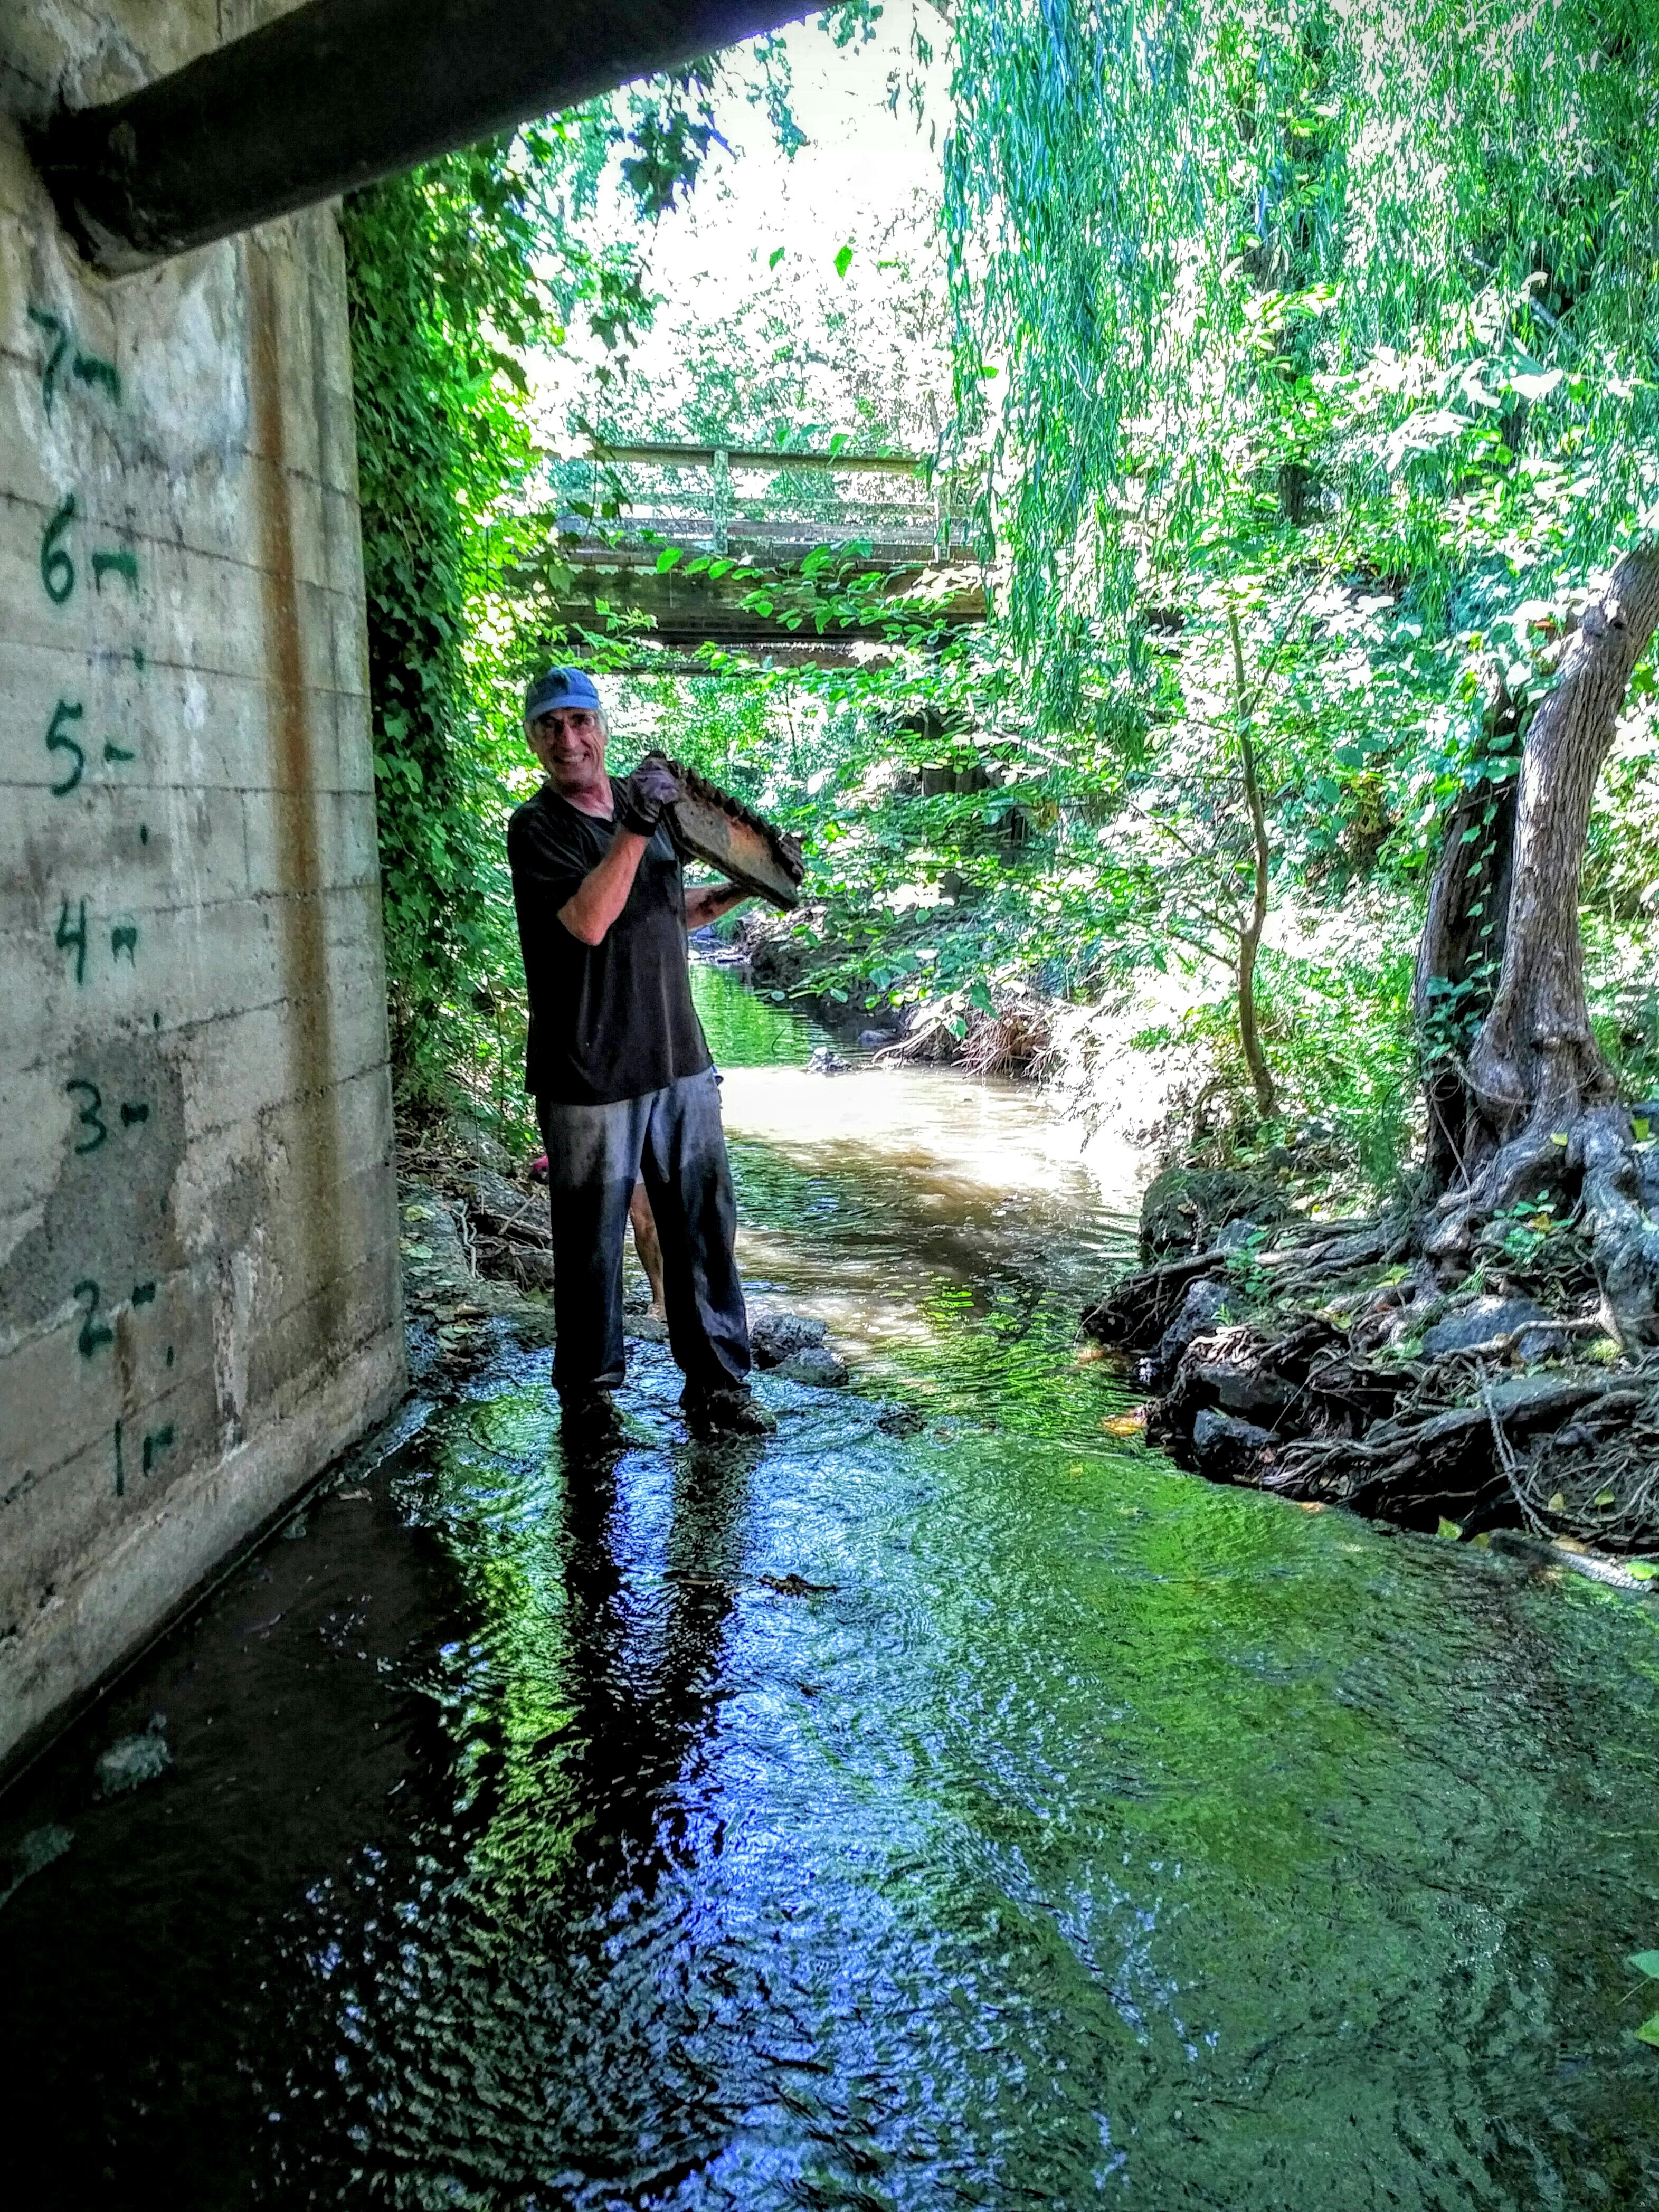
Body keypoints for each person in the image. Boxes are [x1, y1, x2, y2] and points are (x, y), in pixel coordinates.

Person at [507, 667, 773, 1445]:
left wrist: (742, 889)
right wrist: (636, 822)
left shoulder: (647, 808)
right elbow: (591, 920)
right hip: (588, 1069)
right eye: (551, 726)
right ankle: (589, 1402)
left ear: (602, 728)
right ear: (535, 740)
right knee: (591, 1239)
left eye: (579, 722)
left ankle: (718, 1386)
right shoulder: (539, 827)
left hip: (677, 1054)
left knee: (701, 1223)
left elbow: (659, 908)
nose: (569, 740)